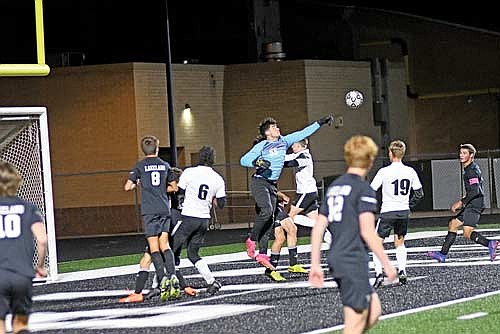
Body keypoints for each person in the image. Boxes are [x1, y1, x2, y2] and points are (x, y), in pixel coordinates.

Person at [309, 135, 397, 334]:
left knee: (373, 311)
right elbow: (367, 231)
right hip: (351, 258)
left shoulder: (334, 187)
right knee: (354, 320)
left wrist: (315, 263)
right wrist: (386, 263)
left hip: (339, 257)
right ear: (370, 159)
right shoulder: (362, 188)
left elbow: (319, 228)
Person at [240, 115, 333, 268]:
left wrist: (320, 123)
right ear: (268, 133)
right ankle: (251, 240)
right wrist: (256, 161)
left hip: (272, 185)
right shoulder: (262, 145)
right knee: (268, 211)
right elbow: (243, 160)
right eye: (274, 127)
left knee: (278, 220)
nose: (278, 128)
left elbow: (303, 133)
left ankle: (271, 258)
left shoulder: (284, 141)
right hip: (259, 182)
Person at [120, 168, 197, 303]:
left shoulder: (166, 190)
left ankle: (141, 291)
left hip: (165, 222)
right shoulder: (183, 191)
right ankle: (175, 285)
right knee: (170, 256)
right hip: (180, 224)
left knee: (148, 257)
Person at [124, 136, 180, 301]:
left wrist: (139, 183)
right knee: (165, 245)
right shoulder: (165, 165)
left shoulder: (139, 166)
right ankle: (172, 276)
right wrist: (161, 189)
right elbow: (174, 187)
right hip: (164, 209)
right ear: (157, 148)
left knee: (154, 247)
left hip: (149, 211)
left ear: (143, 150)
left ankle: (162, 279)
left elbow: (128, 186)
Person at [428, 144, 499, 262]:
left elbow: (476, 191)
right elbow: (474, 189)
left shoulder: (471, 170)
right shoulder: (469, 168)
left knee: (467, 233)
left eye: (464, 153)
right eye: (460, 153)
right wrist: (466, 197)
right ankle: (442, 254)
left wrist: (461, 202)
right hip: (472, 203)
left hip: (474, 204)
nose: (461, 155)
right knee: (453, 224)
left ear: (471, 155)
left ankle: (490, 243)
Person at [170, 146, 226, 295]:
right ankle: (211, 281)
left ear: (199, 158)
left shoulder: (190, 172)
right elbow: (221, 204)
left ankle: (164, 285)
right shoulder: (218, 178)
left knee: (169, 249)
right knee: (193, 254)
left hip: (189, 217)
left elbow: (179, 191)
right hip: (204, 220)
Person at [0, 161, 48, 334]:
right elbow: (42, 240)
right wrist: (40, 266)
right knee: (20, 325)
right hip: (22, 275)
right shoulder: (28, 208)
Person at [370, 140, 424, 287]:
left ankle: (379, 274)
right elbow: (419, 193)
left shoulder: (384, 171)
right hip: (403, 212)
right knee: (399, 242)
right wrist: (408, 205)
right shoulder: (410, 171)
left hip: (388, 212)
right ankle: (402, 271)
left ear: (390, 153)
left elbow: (371, 189)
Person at [266, 191, 309, 282]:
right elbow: (266, 188)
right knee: (291, 229)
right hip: (270, 206)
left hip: (274, 205)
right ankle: (271, 269)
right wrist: (282, 195)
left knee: (281, 238)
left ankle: (289, 265)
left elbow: (272, 188)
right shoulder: (261, 178)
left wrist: (280, 197)